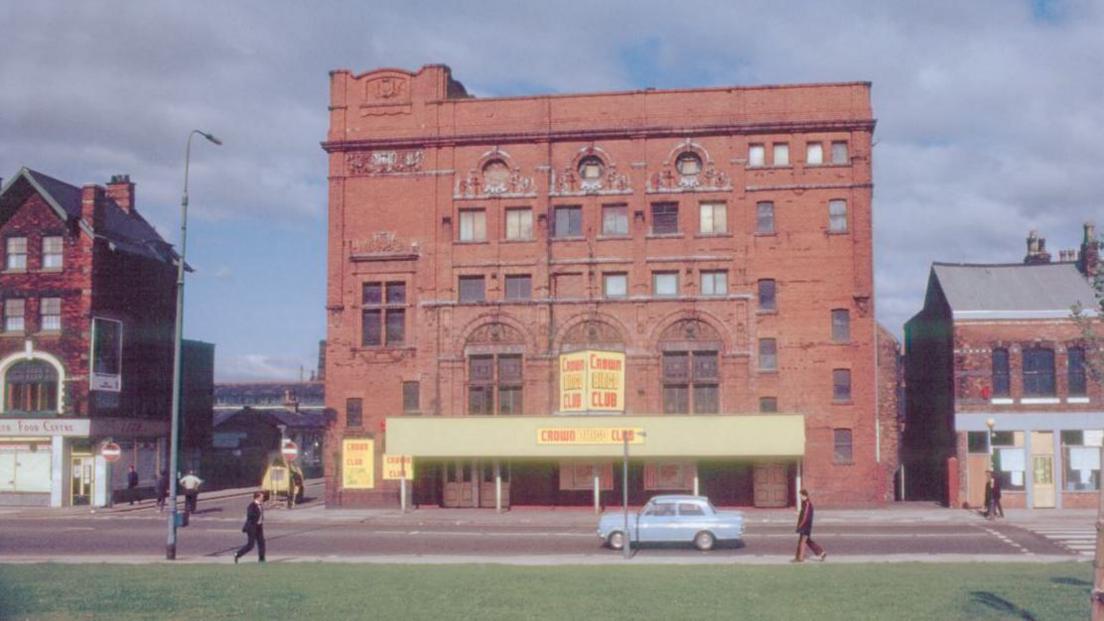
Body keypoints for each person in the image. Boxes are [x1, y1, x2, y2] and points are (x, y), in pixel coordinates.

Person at [793, 489, 827, 562]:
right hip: (805, 526)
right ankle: (821, 553)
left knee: (802, 542)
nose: (800, 497)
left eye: (801, 495)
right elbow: (804, 514)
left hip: (805, 527)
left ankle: (800, 558)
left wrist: (800, 526)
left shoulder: (807, 504)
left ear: (804, 495)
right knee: (808, 541)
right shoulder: (805, 503)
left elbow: (806, 516)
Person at [234, 492, 266, 563]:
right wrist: (257, 517)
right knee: (250, 545)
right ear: (257, 497)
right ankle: (237, 554)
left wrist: (261, 520)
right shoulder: (251, 506)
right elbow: (250, 515)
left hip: (259, 526)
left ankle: (261, 559)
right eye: (262, 497)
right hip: (251, 527)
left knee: (261, 543)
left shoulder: (260, 505)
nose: (263, 498)